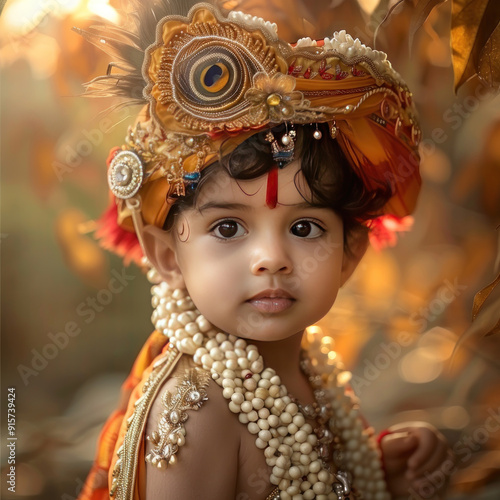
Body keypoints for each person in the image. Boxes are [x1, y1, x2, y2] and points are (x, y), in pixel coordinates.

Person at [75, 1, 452, 499]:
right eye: (229, 228)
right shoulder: (200, 407)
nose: (271, 258)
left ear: (351, 252)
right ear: (167, 256)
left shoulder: (306, 365)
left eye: (305, 228)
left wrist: (381, 478)